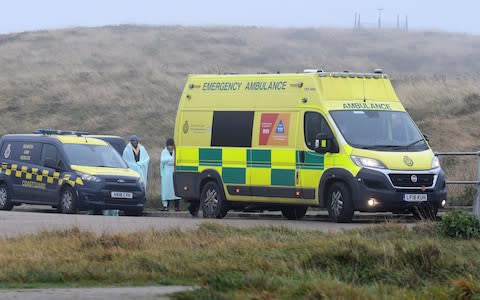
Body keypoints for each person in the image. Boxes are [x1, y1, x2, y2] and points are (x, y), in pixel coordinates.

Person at [160, 138, 180, 211]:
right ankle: (165, 206)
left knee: (175, 189)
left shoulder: (176, 151)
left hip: (174, 171)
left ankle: (177, 206)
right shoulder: (164, 152)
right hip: (166, 173)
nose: (170, 147)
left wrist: (168, 160)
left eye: (171, 145)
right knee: (166, 189)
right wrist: (171, 160)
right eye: (168, 145)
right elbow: (162, 161)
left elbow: (177, 160)